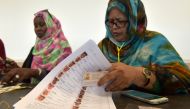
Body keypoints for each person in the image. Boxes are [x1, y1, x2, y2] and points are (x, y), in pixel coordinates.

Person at [98, 0, 190, 94]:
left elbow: (185, 82)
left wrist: (137, 75)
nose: (113, 27)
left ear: (136, 20)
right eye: (110, 21)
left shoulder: (155, 42)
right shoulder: (104, 46)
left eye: (120, 21)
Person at [1, 10, 72, 84]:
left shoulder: (62, 47)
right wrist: (16, 69)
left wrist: (35, 73)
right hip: (33, 92)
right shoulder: (35, 49)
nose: (38, 28)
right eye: (35, 26)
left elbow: (64, 77)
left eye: (41, 25)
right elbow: (26, 74)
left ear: (51, 25)